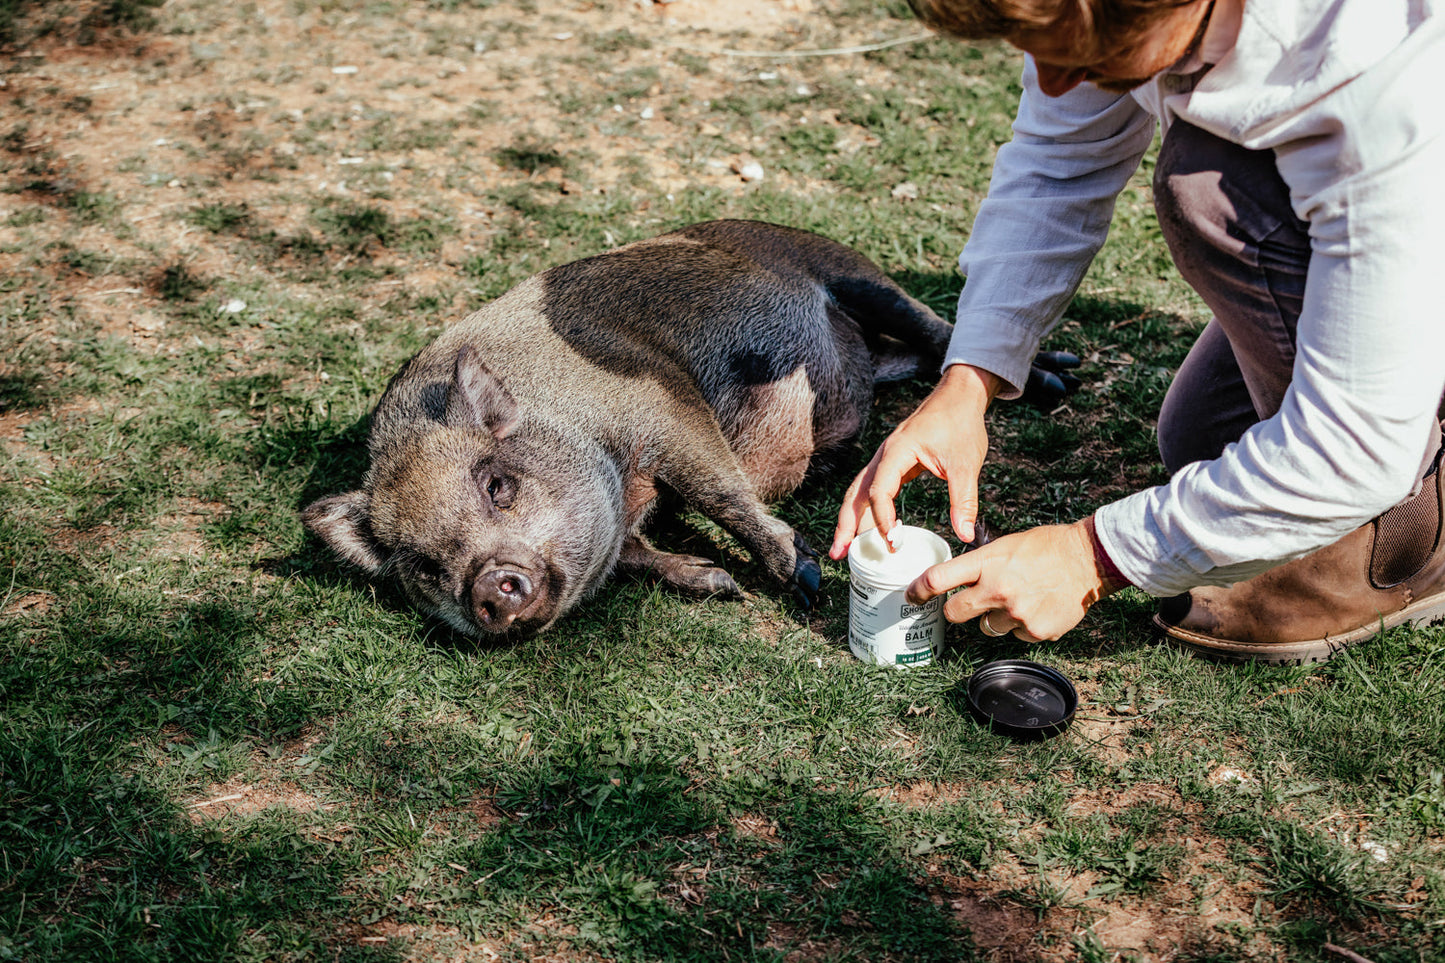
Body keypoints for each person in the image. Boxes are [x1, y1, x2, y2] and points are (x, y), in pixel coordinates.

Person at [829, 0, 1445, 664]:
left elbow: (1353, 445)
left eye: (1079, 49)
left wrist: (1090, 556)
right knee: (1202, 438)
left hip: (1412, 182)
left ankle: (1403, 536)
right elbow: (1061, 158)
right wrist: (967, 381)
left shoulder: (1377, 71)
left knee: (1212, 191)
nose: (1053, 81)